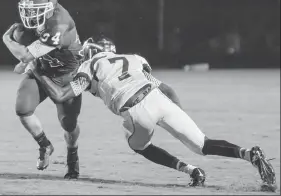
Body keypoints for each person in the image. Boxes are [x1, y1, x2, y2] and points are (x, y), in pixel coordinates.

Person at [25, 35, 277, 190]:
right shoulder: (133, 58)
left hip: (136, 110)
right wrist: (178, 118)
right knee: (202, 143)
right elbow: (166, 88)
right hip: (159, 99)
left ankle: (190, 170)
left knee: (136, 145)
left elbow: (61, 96)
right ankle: (248, 154)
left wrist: (36, 70)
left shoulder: (89, 66)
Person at [2, 0, 82, 179]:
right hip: (42, 68)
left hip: (66, 76)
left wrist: (7, 40)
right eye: (27, 10)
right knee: (22, 108)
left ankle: (72, 155)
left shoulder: (59, 23)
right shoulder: (39, 24)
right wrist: (27, 59)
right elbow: (30, 56)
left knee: (68, 124)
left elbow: (25, 56)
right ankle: (45, 145)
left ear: (50, 7)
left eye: (36, 10)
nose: (30, 16)